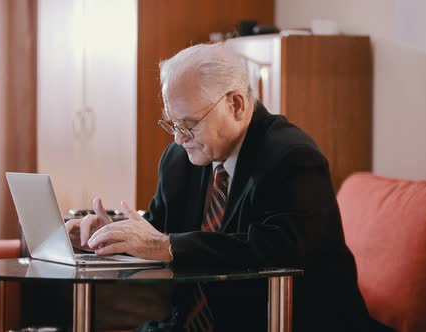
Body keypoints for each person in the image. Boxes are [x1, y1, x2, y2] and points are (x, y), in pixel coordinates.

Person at [66, 43, 389, 332]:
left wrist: (165, 245)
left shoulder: (292, 157)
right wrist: (112, 238)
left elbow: (277, 250)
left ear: (235, 104)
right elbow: (160, 230)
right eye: (172, 123)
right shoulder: (179, 160)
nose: (178, 138)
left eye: (188, 124)